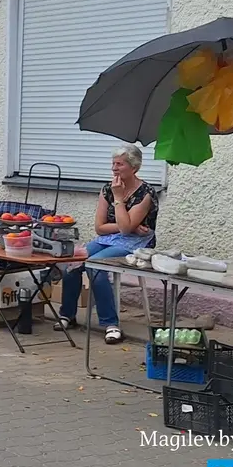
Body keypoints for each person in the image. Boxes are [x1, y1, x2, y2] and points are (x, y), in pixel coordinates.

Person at [54, 144, 159, 344]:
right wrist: (127, 225)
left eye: (119, 164)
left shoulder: (146, 193)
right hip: (108, 239)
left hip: (136, 243)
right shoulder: (107, 189)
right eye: (113, 164)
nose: (114, 168)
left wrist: (120, 202)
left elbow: (128, 231)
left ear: (134, 167)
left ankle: (110, 324)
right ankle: (67, 315)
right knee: (73, 263)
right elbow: (100, 227)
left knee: (95, 267)